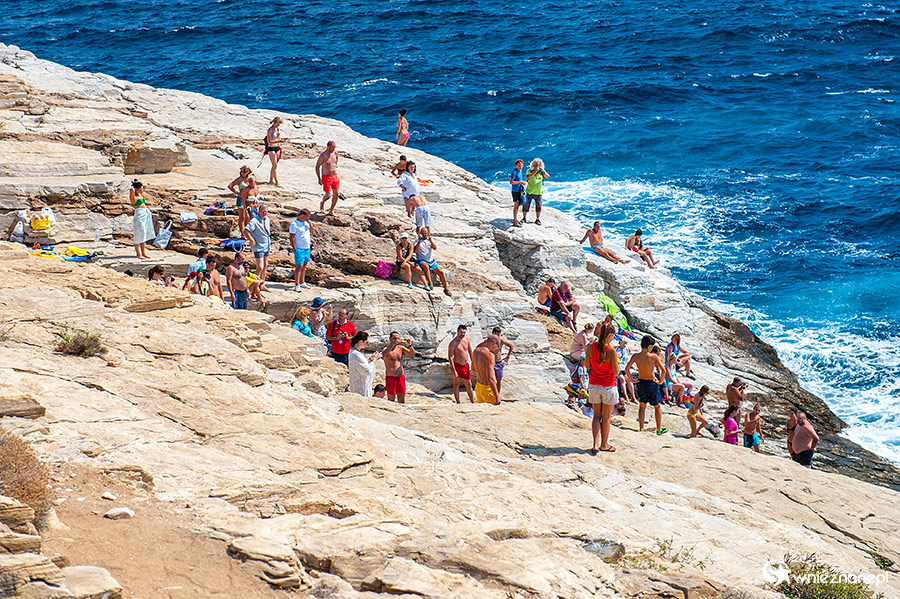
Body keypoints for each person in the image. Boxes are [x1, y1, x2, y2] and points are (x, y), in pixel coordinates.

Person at [624, 335, 668, 435]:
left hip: (641, 382)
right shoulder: (653, 356)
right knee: (657, 406)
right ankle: (659, 428)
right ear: (649, 347)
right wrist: (661, 381)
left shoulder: (636, 356)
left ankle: (642, 427)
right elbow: (663, 370)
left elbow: (627, 369)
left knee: (642, 405)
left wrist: (631, 380)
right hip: (652, 383)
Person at [586, 322, 619, 453]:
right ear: (610, 336)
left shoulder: (591, 347)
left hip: (594, 384)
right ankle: (604, 444)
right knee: (606, 417)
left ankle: (595, 444)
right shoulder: (611, 351)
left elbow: (587, 366)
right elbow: (616, 373)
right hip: (608, 385)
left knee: (596, 416)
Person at [413, 227, 451, 297]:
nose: (424, 235)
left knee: (441, 272)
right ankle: (430, 283)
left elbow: (435, 248)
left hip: (430, 260)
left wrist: (431, 241)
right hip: (421, 259)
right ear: (420, 234)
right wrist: (419, 241)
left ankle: (446, 288)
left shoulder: (429, 241)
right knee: (426, 267)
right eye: (423, 233)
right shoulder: (416, 241)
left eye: (426, 233)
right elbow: (415, 250)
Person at [382, 332, 415, 404]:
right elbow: (384, 355)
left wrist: (410, 345)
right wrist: (392, 345)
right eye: (394, 338)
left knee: (402, 399)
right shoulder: (386, 349)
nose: (396, 340)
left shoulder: (400, 348)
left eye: (398, 338)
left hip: (400, 377)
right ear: (390, 339)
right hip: (391, 377)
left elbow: (411, 354)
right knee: (391, 400)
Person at [243, 204, 271, 287]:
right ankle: (254, 286)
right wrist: (252, 240)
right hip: (258, 246)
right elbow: (246, 231)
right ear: (258, 211)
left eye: (265, 211)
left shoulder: (267, 219)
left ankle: (262, 285)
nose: (264, 213)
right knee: (260, 267)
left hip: (266, 245)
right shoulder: (254, 221)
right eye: (262, 211)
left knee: (265, 266)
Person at [348, 332, 381, 397]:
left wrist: (370, 360)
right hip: (360, 388)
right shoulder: (355, 354)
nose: (367, 344)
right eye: (366, 342)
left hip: (362, 385)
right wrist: (374, 361)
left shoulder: (357, 352)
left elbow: (363, 364)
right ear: (361, 341)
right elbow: (366, 370)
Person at [448, 325, 475, 403]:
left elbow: (470, 352)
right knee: (456, 384)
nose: (462, 334)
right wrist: (453, 370)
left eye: (464, 332)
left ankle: (472, 401)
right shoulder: (453, 343)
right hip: (457, 365)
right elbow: (450, 357)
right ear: (457, 332)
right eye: (461, 332)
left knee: (468, 384)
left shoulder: (466, 340)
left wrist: (474, 363)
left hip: (465, 365)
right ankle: (458, 402)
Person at [228, 166, 259, 232]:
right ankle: (242, 233)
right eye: (241, 171)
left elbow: (254, 188)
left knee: (248, 217)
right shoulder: (240, 179)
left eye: (244, 172)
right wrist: (237, 193)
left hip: (248, 200)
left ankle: (247, 231)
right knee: (242, 217)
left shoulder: (250, 179)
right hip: (241, 199)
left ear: (248, 172)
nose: (242, 173)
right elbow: (230, 186)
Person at [289, 209, 315, 291]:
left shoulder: (306, 223)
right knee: (299, 266)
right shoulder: (294, 224)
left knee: (304, 265)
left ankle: (302, 281)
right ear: (302, 215)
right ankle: (297, 284)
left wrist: (310, 224)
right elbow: (291, 237)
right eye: (307, 216)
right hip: (299, 248)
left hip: (307, 248)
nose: (308, 218)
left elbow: (312, 232)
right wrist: (295, 249)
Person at [472, 335, 501, 405]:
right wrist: (497, 396)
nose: (496, 350)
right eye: (497, 347)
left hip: (478, 387)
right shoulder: (489, 355)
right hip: (487, 389)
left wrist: (481, 371)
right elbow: (490, 378)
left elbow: (473, 369)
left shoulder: (476, 351)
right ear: (494, 343)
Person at [130, 180, 154, 260]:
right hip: (139, 216)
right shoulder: (133, 197)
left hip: (145, 215)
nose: (142, 190)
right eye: (140, 189)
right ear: (135, 189)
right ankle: (138, 253)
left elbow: (144, 186)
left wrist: (137, 183)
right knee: (138, 235)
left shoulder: (140, 194)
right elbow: (132, 191)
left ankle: (143, 252)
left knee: (143, 234)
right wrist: (132, 189)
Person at [315, 140, 340, 215]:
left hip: (335, 176)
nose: (333, 149)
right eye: (332, 148)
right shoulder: (323, 155)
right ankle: (322, 203)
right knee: (328, 195)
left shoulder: (335, 153)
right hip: (326, 177)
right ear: (328, 147)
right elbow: (317, 167)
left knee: (336, 194)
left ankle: (331, 210)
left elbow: (336, 162)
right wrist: (319, 178)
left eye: (334, 148)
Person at [490, 326, 514, 398]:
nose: (496, 335)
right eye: (495, 334)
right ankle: (491, 395)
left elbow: (511, 346)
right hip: (491, 363)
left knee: (498, 380)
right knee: (491, 380)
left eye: (498, 334)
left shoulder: (501, 340)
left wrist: (507, 357)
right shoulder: (489, 341)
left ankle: (497, 396)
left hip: (498, 362)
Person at [523, 158, 549, 225]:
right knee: (526, 205)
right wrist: (534, 172)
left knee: (538, 206)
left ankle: (537, 219)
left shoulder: (541, 172)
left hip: (538, 192)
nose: (537, 166)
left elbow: (548, 176)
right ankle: (524, 218)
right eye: (535, 165)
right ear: (533, 165)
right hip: (529, 192)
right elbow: (527, 177)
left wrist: (543, 171)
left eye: (538, 165)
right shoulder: (529, 170)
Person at [615, 336, 637, 403]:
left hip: (625, 367)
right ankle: (626, 396)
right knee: (622, 379)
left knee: (629, 380)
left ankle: (633, 397)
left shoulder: (627, 349)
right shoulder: (616, 349)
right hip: (618, 367)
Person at [265, 117, 283, 186]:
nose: (279, 125)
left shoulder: (277, 129)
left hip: (277, 148)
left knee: (274, 165)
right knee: (274, 165)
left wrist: (279, 140)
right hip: (271, 148)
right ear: (275, 123)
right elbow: (269, 141)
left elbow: (278, 137)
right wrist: (278, 141)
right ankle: (277, 182)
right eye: (278, 124)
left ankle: (271, 180)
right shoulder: (270, 130)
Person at [509, 159, 527, 227]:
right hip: (515, 191)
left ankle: (515, 219)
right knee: (516, 205)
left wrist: (522, 182)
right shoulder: (514, 172)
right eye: (519, 165)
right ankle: (514, 221)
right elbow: (511, 182)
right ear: (516, 165)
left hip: (519, 190)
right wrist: (520, 182)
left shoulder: (520, 171)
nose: (520, 167)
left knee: (518, 205)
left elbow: (519, 179)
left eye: (521, 165)